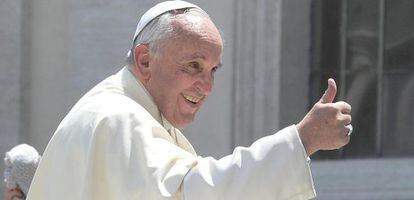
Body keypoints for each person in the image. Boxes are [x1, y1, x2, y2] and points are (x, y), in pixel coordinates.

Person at [27, 1, 352, 199]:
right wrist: (301, 140)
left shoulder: (126, 113)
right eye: (193, 66)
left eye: (213, 70)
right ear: (144, 61)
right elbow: (192, 193)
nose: (206, 86)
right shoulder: (118, 118)